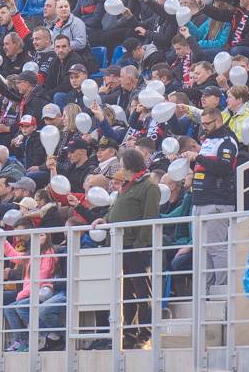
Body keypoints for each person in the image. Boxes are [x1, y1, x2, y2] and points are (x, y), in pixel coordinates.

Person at [91, 148, 160, 349]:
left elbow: (150, 219)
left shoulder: (149, 186)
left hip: (135, 247)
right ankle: (128, 334)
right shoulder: (128, 185)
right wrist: (104, 219)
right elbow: (116, 210)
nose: (120, 168)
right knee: (126, 293)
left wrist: (140, 245)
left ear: (129, 166)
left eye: (121, 164)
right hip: (121, 245)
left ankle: (145, 333)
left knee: (142, 291)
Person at [181, 107, 237, 292]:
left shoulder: (227, 141)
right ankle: (204, 291)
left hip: (217, 200)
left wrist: (198, 157)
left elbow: (224, 167)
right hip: (200, 199)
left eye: (207, 124)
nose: (203, 128)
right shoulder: (208, 140)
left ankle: (222, 289)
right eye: (202, 124)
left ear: (218, 121)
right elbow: (204, 166)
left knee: (216, 247)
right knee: (201, 250)